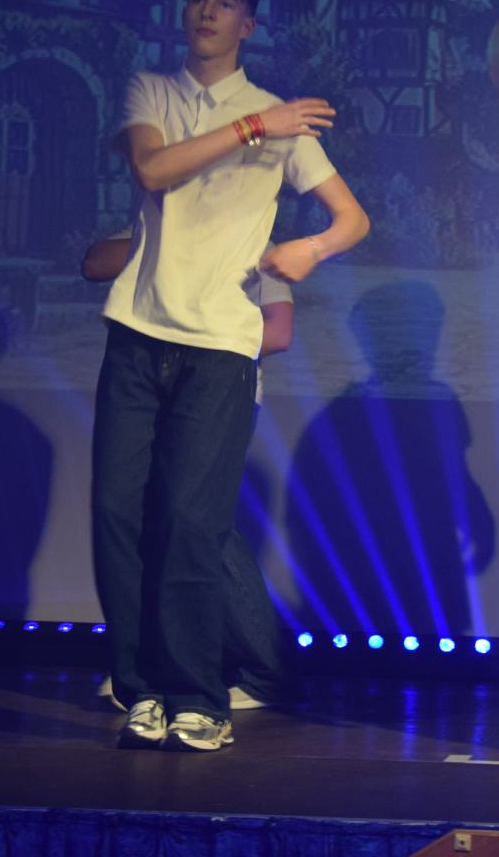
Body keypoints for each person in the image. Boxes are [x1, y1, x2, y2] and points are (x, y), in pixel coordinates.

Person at [95, 0, 368, 753]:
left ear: (247, 23)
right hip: (138, 330)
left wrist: (309, 250)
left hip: (219, 344)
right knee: (115, 513)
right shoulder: (153, 91)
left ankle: (196, 696)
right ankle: (140, 689)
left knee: (190, 520)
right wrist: (253, 130)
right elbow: (153, 168)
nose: (206, 10)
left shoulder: (277, 116)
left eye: (223, 2)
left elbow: (352, 218)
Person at [82, 230, 299, 712]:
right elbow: (95, 262)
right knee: (130, 515)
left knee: (195, 521)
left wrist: (213, 342)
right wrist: (168, 238)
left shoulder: (250, 234)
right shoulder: (156, 223)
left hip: (218, 384)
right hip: (146, 380)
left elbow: (280, 330)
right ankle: (147, 670)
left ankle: (261, 671)